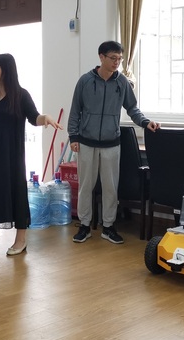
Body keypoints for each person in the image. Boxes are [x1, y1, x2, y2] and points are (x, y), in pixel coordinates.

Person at [67, 40, 160, 245]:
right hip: (86, 142)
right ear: (101, 57)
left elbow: (132, 108)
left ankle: (108, 227)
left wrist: (145, 122)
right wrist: (73, 137)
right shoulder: (85, 81)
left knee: (111, 188)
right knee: (86, 186)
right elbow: (75, 111)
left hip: (111, 143)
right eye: (113, 58)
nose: (117, 62)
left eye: (120, 59)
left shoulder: (122, 83)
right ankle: (85, 225)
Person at [0, 54, 61, 256]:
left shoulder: (21, 95)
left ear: (7, 69)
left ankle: (21, 239)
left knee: (16, 192)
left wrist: (45, 118)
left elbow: (34, 117)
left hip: (12, 154)